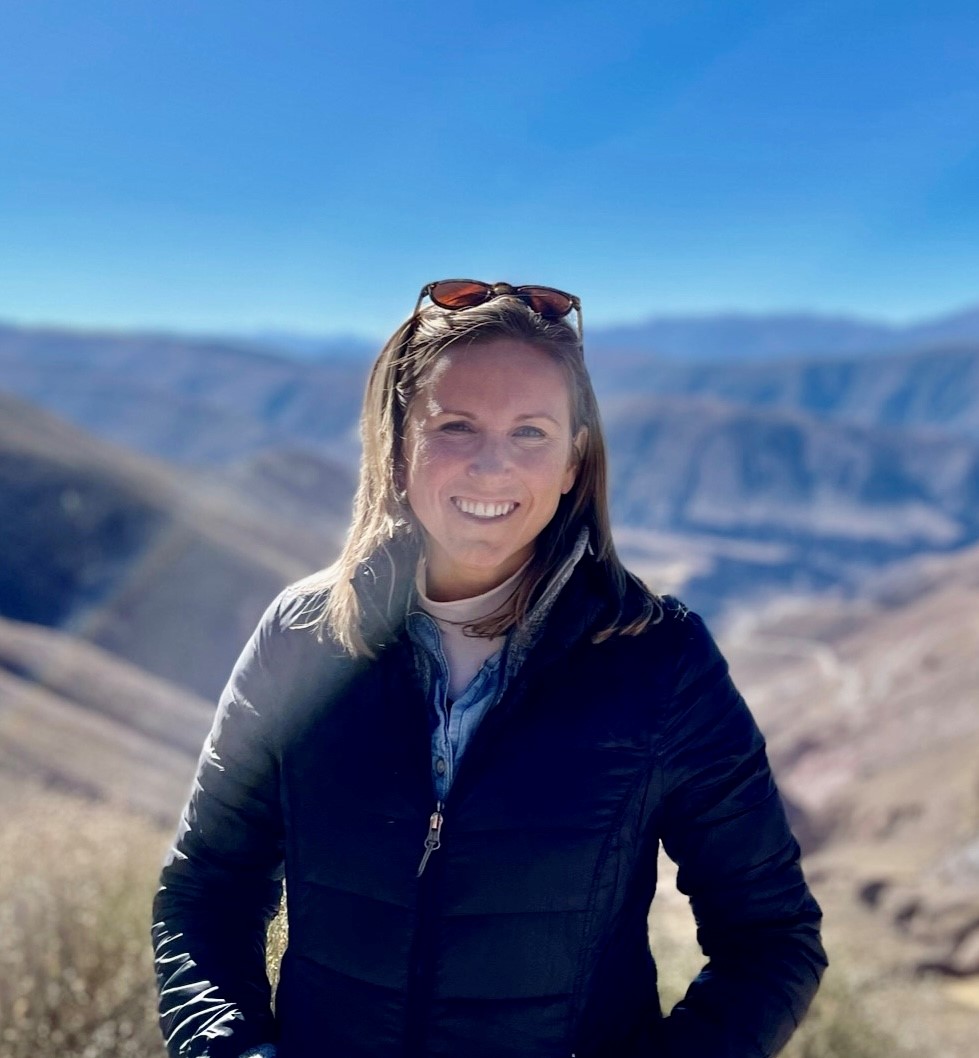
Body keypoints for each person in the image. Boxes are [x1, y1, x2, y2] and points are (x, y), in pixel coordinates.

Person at [152, 279, 827, 1058]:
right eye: (457, 426)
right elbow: (205, 891)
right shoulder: (301, 637)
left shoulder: (657, 663)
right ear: (399, 444)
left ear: (576, 459)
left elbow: (771, 937)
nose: (490, 467)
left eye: (531, 433)